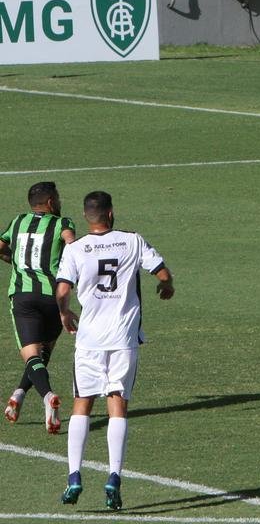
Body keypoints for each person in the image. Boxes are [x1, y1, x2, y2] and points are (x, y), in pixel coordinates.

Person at [55, 191, 175, 511]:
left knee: (81, 406)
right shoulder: (131, 241)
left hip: (89, 341)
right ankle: (113, 477)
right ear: (111, 213)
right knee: (117, 408)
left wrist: (65, 312)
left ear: (86, 217)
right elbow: (161, 271)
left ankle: (74, 476)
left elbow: (63, 289)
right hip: (123, 339)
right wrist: (167, 285)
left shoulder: (76, 248)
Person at [0, 181, 75, 432]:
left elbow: (0, 247)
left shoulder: (17, 222)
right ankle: (18, 394)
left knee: (33, 356)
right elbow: (72, 244)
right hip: (52, 298)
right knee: (42, 355)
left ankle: (47, 397)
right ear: (51, 202)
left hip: (23, 298)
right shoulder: (62, 223)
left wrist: (16, 262)